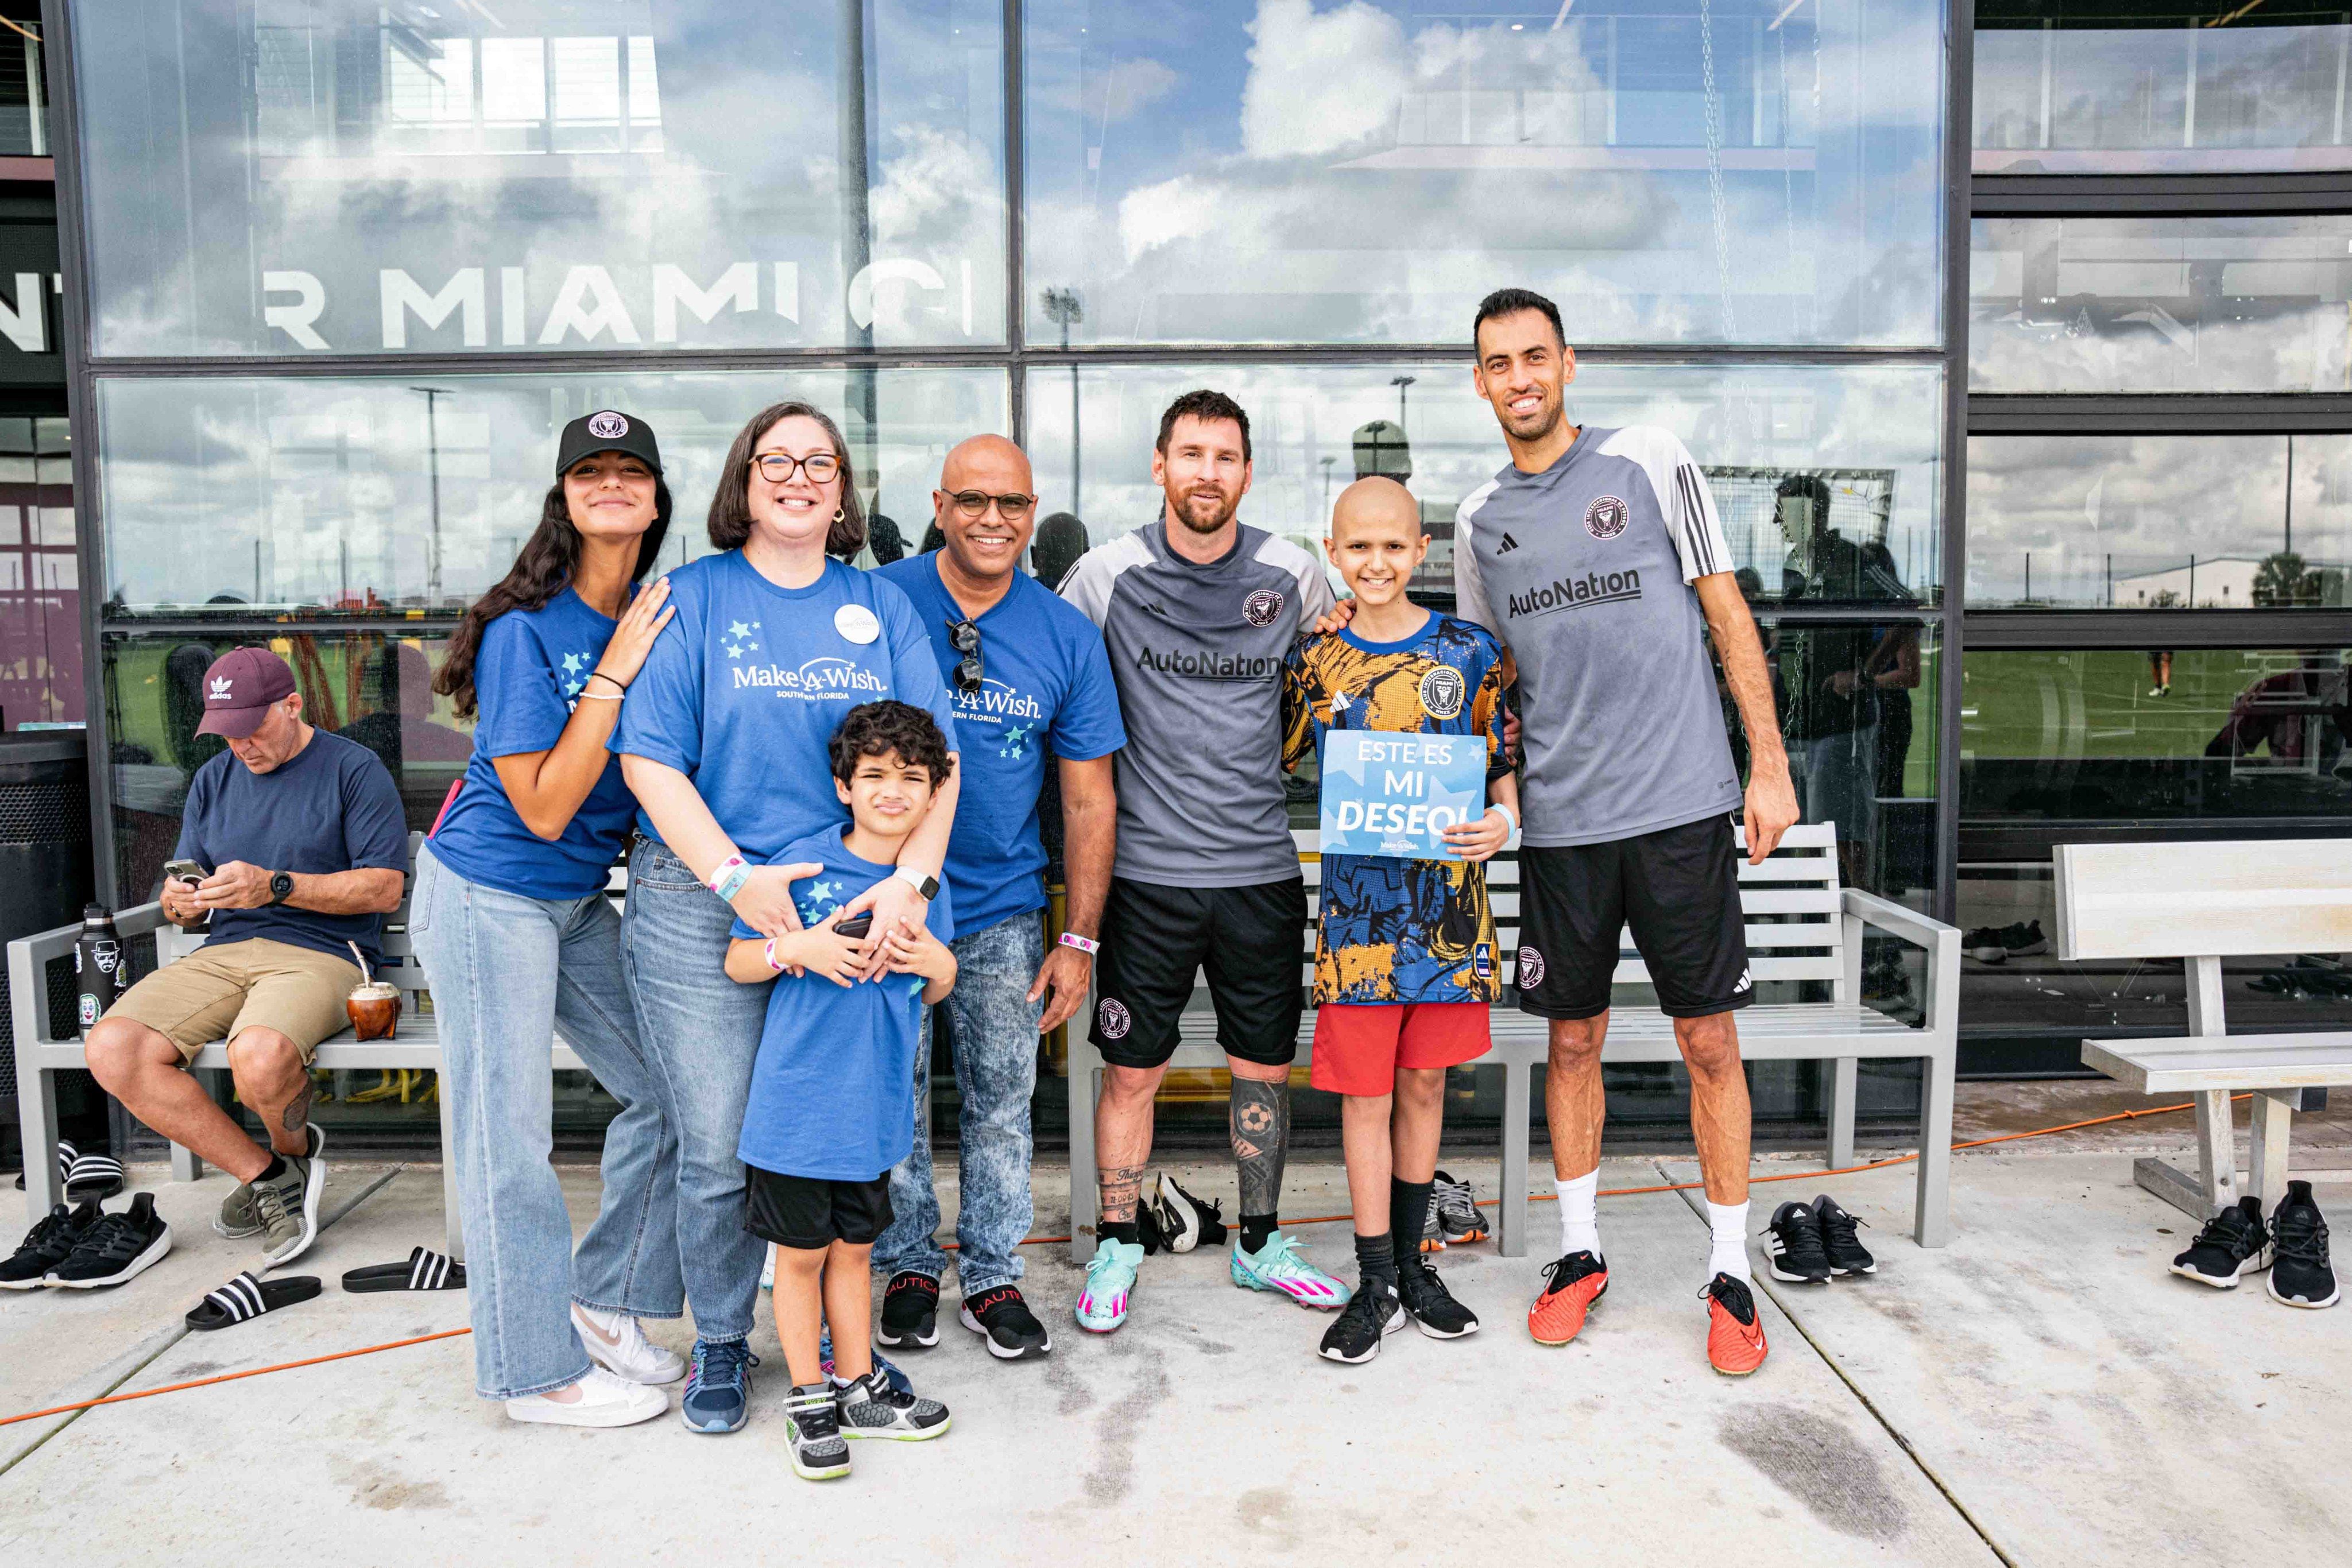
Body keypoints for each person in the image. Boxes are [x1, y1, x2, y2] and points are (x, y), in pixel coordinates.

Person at [1455, 287, 1800, 1376]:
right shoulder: (1477, 521)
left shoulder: (1648, 458)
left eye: (1535, 357)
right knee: (1572, 1041)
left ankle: (1732, 1269)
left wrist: (1770, 766)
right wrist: (1502, 799)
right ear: (1479, 382)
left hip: (1682, 808)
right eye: (1499, 363)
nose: (1520, 378)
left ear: (1568, 365)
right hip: (1561, 829)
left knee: (1708, 1042)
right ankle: (1578, 1253)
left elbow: (1727, 611)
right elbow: (1486, 684)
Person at [614, 400, 961, 1435]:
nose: (799, 476)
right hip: (703, 897)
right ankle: (723, 1339)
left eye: (821, 461)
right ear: (744, 479)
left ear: (845, 490)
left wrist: (913, 885)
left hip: (853, 897)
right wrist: (733, 879)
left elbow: (941, 763)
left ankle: (843, 1360)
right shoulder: (688, 595)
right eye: (778, 459)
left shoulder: (881, 609)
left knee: (849, 1139)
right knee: (724, 1145)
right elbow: (648, 758)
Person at [411, 409, 687, 1429]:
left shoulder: (662, 613)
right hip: (489, 893)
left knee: (671, 1092)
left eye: (630, 471)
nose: (611, 484)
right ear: (565, 497)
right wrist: (612, 674)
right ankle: (534, 1373)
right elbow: (543, 805)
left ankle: (602, 1301)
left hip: (573, 904)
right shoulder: (531, 629)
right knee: (507, 1139)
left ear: (655, 500)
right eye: (590, 471)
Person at [1057, 388, 1347, 1333]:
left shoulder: (1294, 576)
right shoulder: (1107, 575)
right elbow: (1053, 681)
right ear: (1159, 465)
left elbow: (1348, 670)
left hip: (1260, 871)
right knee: (1131, 1073)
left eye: (1225, 457)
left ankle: (1260, 1242)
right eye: (1191, 454)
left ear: (1247, 472)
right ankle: (1117, 1239)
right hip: (1145, 878)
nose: (1207, 473)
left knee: (1260, 1069)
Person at [869, 436, 1124, 1360]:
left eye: (1012, 503)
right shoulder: (880, 602)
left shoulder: (1063, 634)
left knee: (999, 1101)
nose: (992, 518)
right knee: (891, 1099)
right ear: (938, 504)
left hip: (1002, 908)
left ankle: (990, 1274)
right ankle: (905, 1261)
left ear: (1033, 509)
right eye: (972, 500)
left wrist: (1081, 938)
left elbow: (1090, 796)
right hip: (880, 901)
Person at [1282, 477, 1515, 1364]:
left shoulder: (1472, 651)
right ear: (1334, 554)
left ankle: (1417, 1266)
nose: (1376, 562)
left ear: (1422, 552)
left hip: (1450, 920)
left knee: (1424, 1089)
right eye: (1357, 547)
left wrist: (1508, 822)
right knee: (1364, 1096)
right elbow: (1274, 749)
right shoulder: (1316, 659)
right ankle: (1374, 1273)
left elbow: (1502, 763)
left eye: (1393, 546)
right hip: (1358, 927)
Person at [83, 646, 408, 1275]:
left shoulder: (353, 769)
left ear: (293, 705)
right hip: (225, 950)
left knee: (256, 1056)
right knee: (112, 1047)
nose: (240, 745)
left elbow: (383, 888)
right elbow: (192, 899)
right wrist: (181, 901)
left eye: (252, 728)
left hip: (324, 952)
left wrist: (277, 885)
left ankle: (290, 1153)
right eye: (226, 731)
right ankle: (270, 1176)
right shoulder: (213, 780)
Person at [723, 701, 959, 1480]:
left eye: (912, 778)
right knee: (799, 1257)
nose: (893, 791)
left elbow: (939, 983)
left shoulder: (923, 886)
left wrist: (931, 961)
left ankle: (859, 1384)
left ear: (933, 797)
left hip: (874, 1108)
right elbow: (741, 961)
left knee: (855, 1251)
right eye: (875, 775)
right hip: (794, 1108)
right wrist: (802, 945)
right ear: (843, 786)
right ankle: (807, 1395)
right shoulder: (802, 863)